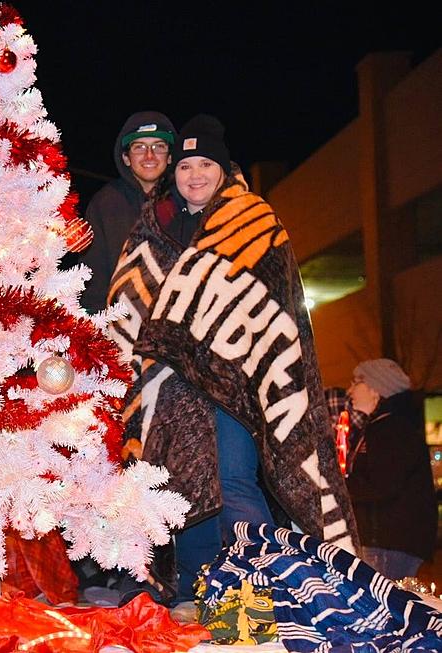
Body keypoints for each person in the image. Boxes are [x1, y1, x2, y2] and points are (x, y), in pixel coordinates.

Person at [108, 114, 358, 611]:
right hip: (173, 385)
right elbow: (129, 296)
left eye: (205, 164)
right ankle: (201, 590)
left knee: (235, 481)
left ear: (222, 169)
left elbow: (271, 299)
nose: (194, 174)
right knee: (185, 488)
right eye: (185, 166)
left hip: (237, 381)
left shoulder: (252, 218)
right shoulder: (153, 222)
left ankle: (258, 591)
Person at [78, 111, 176, 314]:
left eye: (159, 146)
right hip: (121, 327)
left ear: (170, 157)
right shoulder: (105, 204)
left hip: (176, 330)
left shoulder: (186, 202)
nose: (149, 156)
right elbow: (93, 278)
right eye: (139, 147)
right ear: (126, 157)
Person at [346, 358, 436, 579]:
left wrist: (339, 488)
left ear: (376, 389)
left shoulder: (390, 430)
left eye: (356, 382)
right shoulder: (388, 426)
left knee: (381, 609)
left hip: (387, 545)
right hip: (389, 543)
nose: (350, 390)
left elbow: (382, 485)